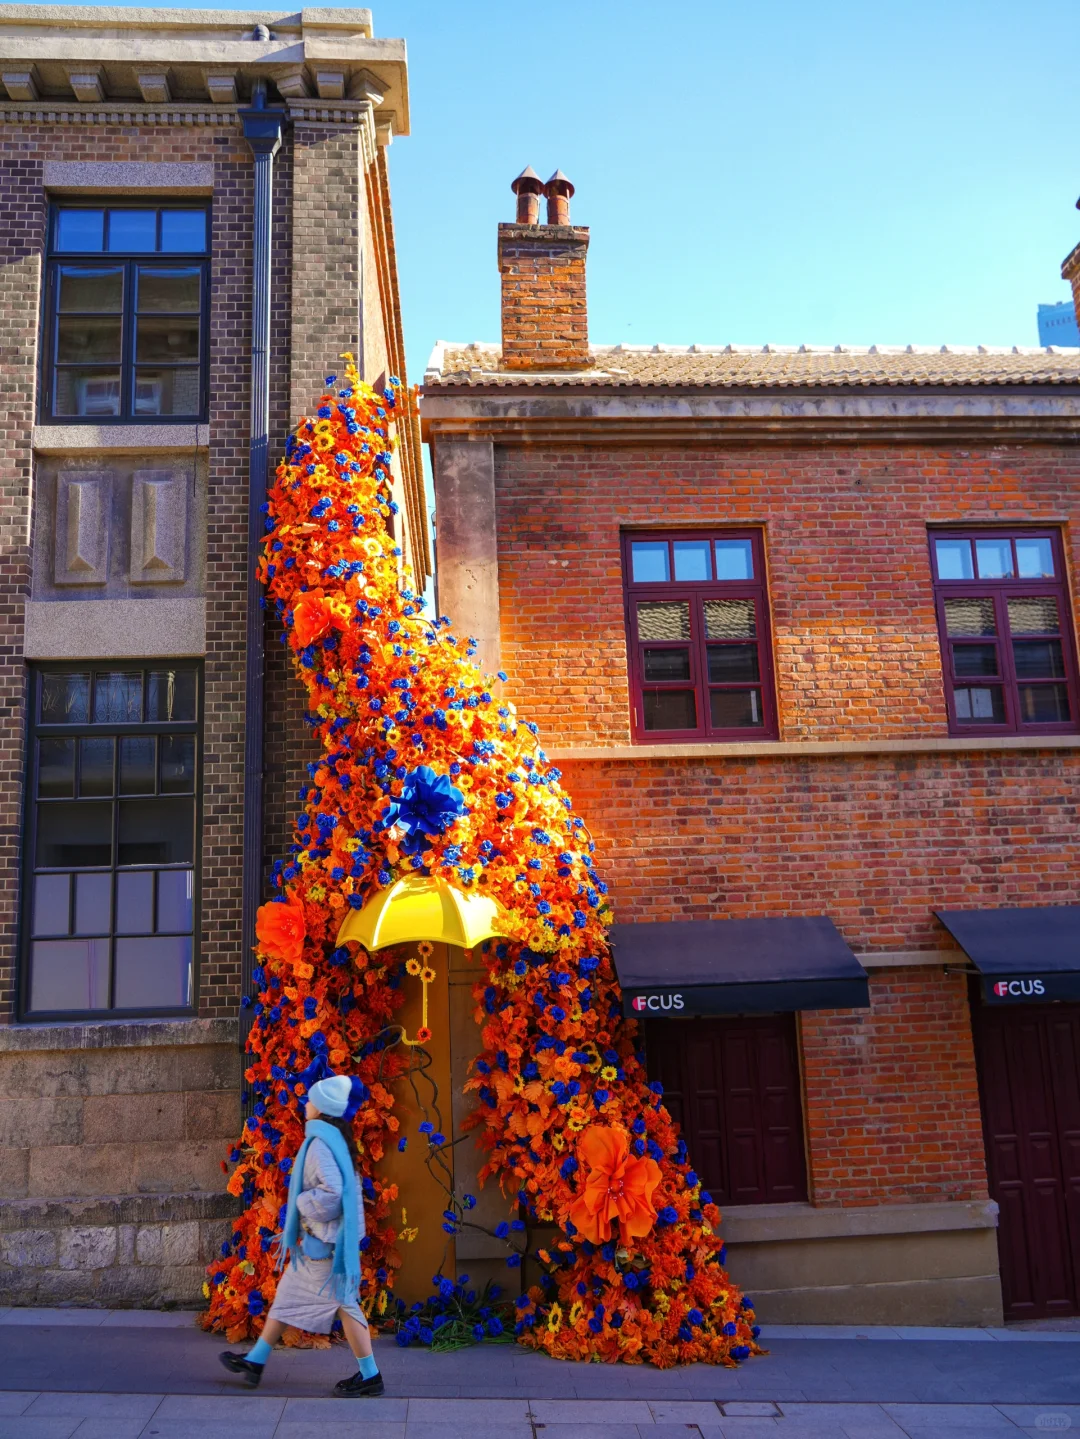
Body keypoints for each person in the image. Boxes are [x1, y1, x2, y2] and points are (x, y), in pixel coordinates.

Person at [219, 1073, 384, 1397]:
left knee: (346, 1305)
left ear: (322, 1109)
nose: (305, 1104)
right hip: (324, 1241)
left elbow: (333, 1192)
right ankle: (256, 1360)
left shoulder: (321, 1144)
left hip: (325, 1244)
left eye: (311, 1100)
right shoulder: (331, 1139)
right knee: (289, 1295)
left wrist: (301, 1201)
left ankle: (371, 1376)